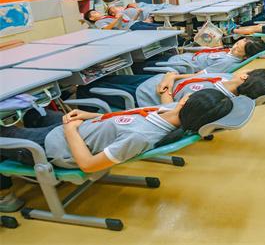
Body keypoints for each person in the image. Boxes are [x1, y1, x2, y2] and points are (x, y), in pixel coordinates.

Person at [0, 89, 234, 211]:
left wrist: (71, 130)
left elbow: (88, 166)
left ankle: (6, 197)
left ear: (187, 102)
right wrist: (89, 115)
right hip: (80, 128)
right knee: (32, 111)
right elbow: (124, 119)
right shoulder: (172, 112)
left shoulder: (141, 136)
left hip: (56, 146)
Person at [76, 68, 265, 108]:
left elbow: (171, 109)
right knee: (101, 77)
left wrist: (166, 90)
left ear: (245, 76)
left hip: (142, 96)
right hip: (152, 80)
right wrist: (171, 75)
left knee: (86, 88)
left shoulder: (212, 97)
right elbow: (197, 75)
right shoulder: (226, 77)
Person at [164, 37, 265, 73]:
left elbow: (198, 76)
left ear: (246, 57)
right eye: (237, 43)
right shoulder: (230, 53)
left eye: (237, 50)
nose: (234, 47)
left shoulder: (226, 63)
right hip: (181, 58)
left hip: (176, 65)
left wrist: (173, 77)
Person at [83, 8, 161, 31]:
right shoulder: (98, 22)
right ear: (91, 18)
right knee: (156, 28)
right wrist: (117, 19)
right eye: (94, 13)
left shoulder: (107, 17)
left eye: (96, 11)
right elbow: (106, 29)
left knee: (159, 26)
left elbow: (129, 20)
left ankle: (171, 28)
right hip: (130, 27)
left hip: (135, 22)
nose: (97, 12)